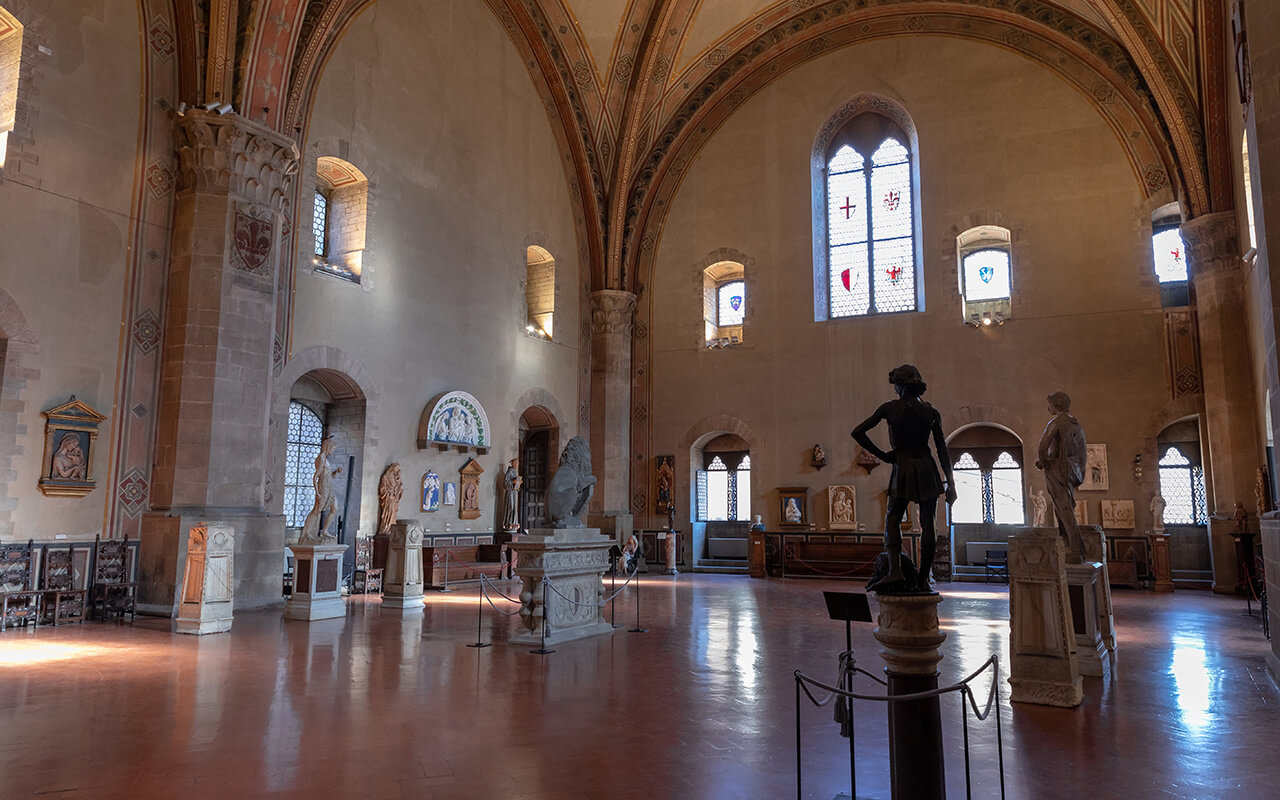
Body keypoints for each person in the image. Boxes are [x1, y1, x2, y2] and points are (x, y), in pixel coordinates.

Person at [851, 365, 956, 592]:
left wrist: (884, 456)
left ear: (899, 385)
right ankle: (923, 580)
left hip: (904, 466)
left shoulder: (890, 408)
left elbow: (857, 432)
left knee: (892, 517)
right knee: (928, 523)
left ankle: (895, 571)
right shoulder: (931, 412)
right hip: (927, 467)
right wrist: (951, 483)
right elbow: (941, 450)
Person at [1036, 392, 1088, 562]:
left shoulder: (1057, 422)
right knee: (1064, 509)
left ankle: (1076, 550)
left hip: (1057, 470)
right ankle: (1068, 545)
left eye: (1050, 403)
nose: (1048, 407)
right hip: (1071, 470)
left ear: (1056, 404)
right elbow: (1081, 453)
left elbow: (1043, 446)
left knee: (1064, 510)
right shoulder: (1076, 424)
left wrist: (1044, 462)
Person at [502, 458, 521, 530]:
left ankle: (513, 522)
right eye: (516, 464)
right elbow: (505, 483)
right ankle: (508, 522)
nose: (517, 465)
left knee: (515, 508)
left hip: (514, 492)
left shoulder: (515, 472)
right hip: (510, 492)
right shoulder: (509, 471)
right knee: (511, 506)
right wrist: (513, 482)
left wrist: (518, 483)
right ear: (513, 464)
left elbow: (515, 482)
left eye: (518, 464)